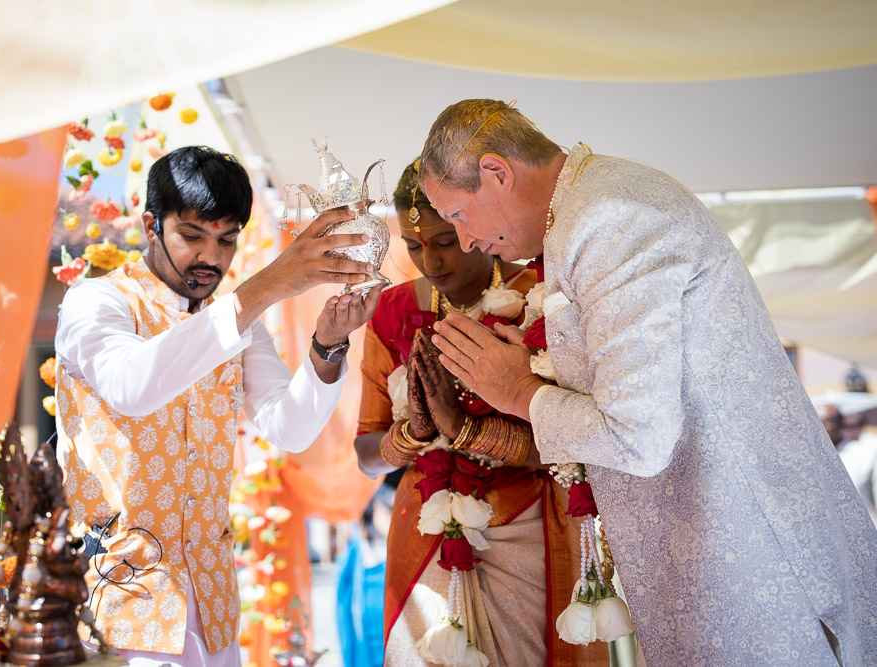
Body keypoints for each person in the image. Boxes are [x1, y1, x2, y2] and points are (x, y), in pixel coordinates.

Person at [419, 99, 877, 666]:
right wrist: (547, 368)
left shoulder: (609, 216)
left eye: (458, 215)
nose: (464, 242)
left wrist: (518, 391)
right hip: (716, 542)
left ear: (496, 173)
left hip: (752, 550)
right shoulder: (591, 204)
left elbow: (638, 433)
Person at [54, 146, 384, 666]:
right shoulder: (98, 302)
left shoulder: (237, 324)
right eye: (192, 236)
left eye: (227, 240)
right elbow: (130, 387)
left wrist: (327, 345)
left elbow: (288, 428)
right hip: (117, 604)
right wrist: (270, 284)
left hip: (210, 604)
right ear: (150, 225)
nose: (211, 257)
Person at [353, 160, 607, 666]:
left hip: (527, 523)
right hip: (423, 527)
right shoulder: (392, 311)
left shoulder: (542, 290)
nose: (430, 261)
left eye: (445, 240)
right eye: (413, 245)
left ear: (469, 220)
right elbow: (366, 454)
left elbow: (581, 440)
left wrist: (467, 429)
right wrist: (413, 434)